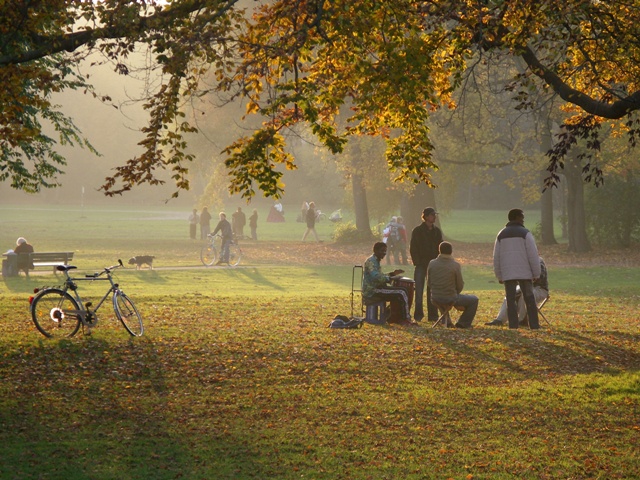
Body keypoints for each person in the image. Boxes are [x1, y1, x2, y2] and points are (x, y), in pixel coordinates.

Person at [493, 208, 541, 329]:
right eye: (522, 217)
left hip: (508, 273)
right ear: (517, 217)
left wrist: (499, 274)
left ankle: (513, 325)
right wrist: (536, 273)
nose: (523, 219)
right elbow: (533, 254)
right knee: (529, 299)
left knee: (510, 300)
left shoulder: (501, 234)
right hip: (525, 272)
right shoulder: (526, 233)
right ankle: (534, 325)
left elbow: (496, 257)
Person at [362, 242, 416, 326]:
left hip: (377, 288)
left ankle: (395, 317)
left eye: (385, 251)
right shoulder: (371, 261)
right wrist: (390, 278)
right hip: (372, 291)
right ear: (375, 250)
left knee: (399, 293)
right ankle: (406, 319)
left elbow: (379, 276)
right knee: (402, 292)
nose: (384, 253)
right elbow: (376, 277)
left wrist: (392, 274)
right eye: (382, 251)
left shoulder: (375, 260)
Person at [427, 241, 478, 328]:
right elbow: (460, 285)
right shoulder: (455, 265)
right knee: (474, 300)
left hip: (435, 297)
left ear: (439, 251)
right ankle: (463, 323)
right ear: (451, 251)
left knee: (441, 299)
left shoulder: (432, 263)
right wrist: (455, 293)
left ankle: (447, 321)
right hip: (450, 297)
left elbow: (429, 282)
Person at [487, 257, 548, 327]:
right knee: (511, 294)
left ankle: (521, 320)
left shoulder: (539, 261)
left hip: (540, 289)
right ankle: (499, 320)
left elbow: (539, 277)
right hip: (523, 288)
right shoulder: (520, 262)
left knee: (526, 295)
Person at [410, 207, 443, 322]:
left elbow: (440, 247)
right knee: (418, 291)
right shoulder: (417, 231)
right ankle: (418, 315)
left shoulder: (437, 231)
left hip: (433, 265)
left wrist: (438, 261)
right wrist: (418, 262)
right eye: (432, 215)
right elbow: (413, 247)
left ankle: (432, 316)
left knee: (432, 291)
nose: (434, 217)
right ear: (426, 216)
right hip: (421, 265)